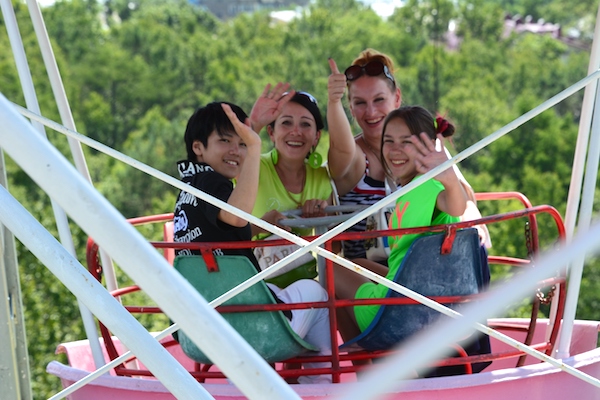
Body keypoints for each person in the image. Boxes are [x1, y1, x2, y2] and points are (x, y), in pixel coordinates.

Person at [172, 101, 331, 383]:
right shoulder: (214, 182)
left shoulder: (190, 186)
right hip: (241, 317)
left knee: (273, 289)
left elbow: (220, 225)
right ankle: (318, 386)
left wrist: (259, 225)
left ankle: (268, 383)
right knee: (316, 294)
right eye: (224, 141)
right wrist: (256, 149)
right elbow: (233, 217)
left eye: (242, 143)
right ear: (198, 148)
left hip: (201, 315)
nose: (236, 150)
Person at [327, 49, 489, 262]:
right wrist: (333, 101)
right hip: (367, 274)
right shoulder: (354, 158)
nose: (371, 112)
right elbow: (341, 148)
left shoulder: (425, 148)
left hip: (423, 264)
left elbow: (462, 198)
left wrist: (471, 221)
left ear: (397, 98)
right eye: (360, 103)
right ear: (350, 107)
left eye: (379, 100)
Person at [333, 105, 469, 341]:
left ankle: (369, 366)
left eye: (406, 142)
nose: (395, 150)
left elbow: (457, 206)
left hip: (399, 313)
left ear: (428, 147)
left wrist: (450, 179)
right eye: (389, 141)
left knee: (330, 270)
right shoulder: (410, 188)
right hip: (421, 299)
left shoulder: (430, 186)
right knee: (355, 264)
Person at [248, 84, 336, 287]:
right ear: (271, 132)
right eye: (286, 123)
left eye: (305, 124)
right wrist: (254, 123)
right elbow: (227, 231)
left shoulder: (322, 178)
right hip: (251, 280)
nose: (296, 132)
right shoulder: (254, 165)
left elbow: (336, 247)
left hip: (300, 283)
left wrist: (322, 219)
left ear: (316, 136)